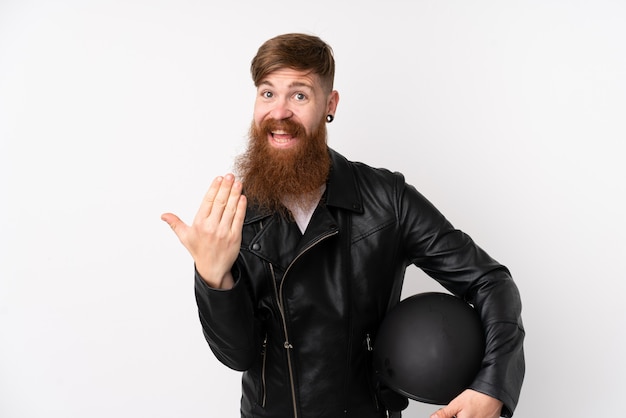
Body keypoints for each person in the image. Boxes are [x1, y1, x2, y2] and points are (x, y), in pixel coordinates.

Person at [161, 33, 525, 418]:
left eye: (299, 95)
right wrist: (214, 278)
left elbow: (490, 281)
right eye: (268, 94)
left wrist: (492, 386)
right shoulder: (235, 213)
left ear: (329, 105)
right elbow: (238, 355)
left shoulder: (388, 199)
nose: (279, 112)